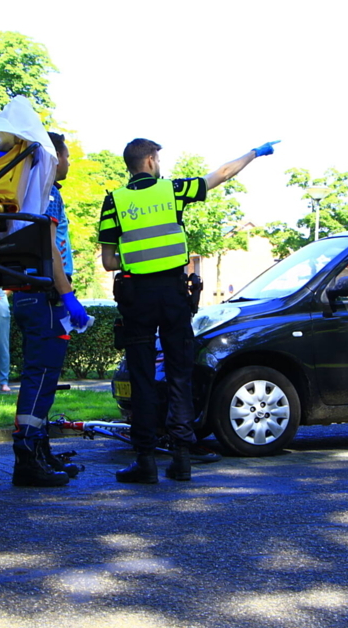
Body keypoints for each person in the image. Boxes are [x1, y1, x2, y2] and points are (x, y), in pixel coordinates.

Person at [99, 138, 277, 484]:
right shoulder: (172, 191)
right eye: (158, 158)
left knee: (142, 378)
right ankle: (181, 459)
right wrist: (255, 153)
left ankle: (145, 461)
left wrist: (137, 260)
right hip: (173, 295)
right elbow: (222, 174)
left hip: (136, 297)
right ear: (150, 160)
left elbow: (108, 261)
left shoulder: (114, 201)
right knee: (179, 374)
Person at [11, 132, 88, 487]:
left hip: (31, 294)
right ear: (54, 157)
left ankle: (39, 451)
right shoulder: (47, 193)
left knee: (40, 375)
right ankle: (27, 457)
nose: (69, 163)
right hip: (46, 296)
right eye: (67, 156)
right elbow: (51, 248)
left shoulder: (29, 189)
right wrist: (67, 294)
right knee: (42, 375)